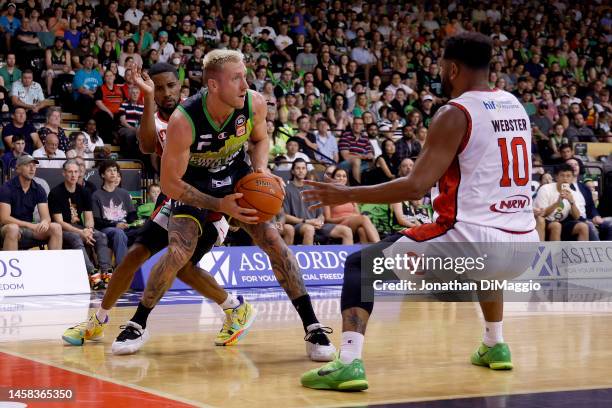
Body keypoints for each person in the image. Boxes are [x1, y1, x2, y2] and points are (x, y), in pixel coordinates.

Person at [299, 33, 539, 390]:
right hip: (523, 246)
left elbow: (415, 186)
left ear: (452, 68)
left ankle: (348, 363)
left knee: (360, 266)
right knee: (488, 264)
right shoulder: (514, 104)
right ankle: (494, 343)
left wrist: (345, 193)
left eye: (442, 67)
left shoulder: (455, 113)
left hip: (471, 242)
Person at [113, 51, 336, 361]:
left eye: (244, 76)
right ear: (214, 85)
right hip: (194, 185)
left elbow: (259, 140)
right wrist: (219, 205)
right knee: (178, 252)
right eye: (236, 78)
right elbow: (169, 184)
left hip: (235, 177)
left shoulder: (253, 102)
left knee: (273, 241)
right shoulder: (184, 120)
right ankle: (139, 322)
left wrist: (260, 170)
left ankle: (313, 326)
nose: (245, 84)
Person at [61, 63, 254, 351]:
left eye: (170, 86)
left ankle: (233, 308)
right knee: (133, 256)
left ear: (181, 86)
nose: (166, 92)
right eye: (159, 87)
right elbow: (147, 145)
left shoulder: (199, 112)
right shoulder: (160, 118)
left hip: (210, 202)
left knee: (184, 268)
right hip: (175, 198)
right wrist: (147, 96)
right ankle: (97, 321)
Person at [48, 159, 113, 289]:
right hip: (62, 230)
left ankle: (106, 272)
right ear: (64, 173)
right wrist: (81, 232)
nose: (73, 175)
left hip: (81, 228)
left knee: (101, 236)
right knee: (76, 237)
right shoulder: (55, 193)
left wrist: (88, 230)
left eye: (76, 172)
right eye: (70, 172)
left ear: (79, 174)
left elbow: (89, 217)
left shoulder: (84, 191)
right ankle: (92, 273)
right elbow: (59, 222)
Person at [0, 155, 62, 250]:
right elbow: (4, 218)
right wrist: (30, 225)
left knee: (56, 227)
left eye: (34, 165)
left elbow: (46, 217)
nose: (32, 168)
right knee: (13, 229)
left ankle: (54, 264)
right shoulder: (7, 188)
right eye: (28, 165)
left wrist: (45, 222)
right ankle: (11, 264)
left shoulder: (38, 188)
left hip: (30, 228)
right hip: (8, 228)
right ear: (18, 169)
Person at [284, 159, 353, 245]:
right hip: (299, 224)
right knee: (309, 229)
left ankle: (349, 259)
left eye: (303, 168)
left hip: (316, 225)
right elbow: (285, 216)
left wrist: (319, 221)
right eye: (298, 168)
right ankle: (306, 258)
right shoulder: (286, 189)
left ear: (306, 170)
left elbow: (321, 214)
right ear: (292, 171)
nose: (301, 171)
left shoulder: (313, 189)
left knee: (346, 231)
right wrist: (308, 221)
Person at [323, 168, 380, 243]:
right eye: (338, 176)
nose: (341, 178)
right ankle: (379, 246)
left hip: (353, 222)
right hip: (339, 224)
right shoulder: (327, 196)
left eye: (344, 176)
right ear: (333, 178)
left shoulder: (350, 195)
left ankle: (365, 254)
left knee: (361, 230)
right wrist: (345, 218)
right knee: (364, 218)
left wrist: (352, 217)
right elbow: (327, 219)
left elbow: (357, 214)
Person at [533, 163, 588, 241]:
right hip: (544, 222)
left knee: (583, 227)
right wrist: (558, 202)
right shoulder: (545, 189)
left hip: (562, 222)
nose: (565, 179)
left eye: (568, 176)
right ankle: (543, 251)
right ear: (556, 177)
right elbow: (542, 214)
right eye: (562, 175)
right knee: (556, 225)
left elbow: (577, 217)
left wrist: (572, 202)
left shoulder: (574, 194)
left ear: (572, 178)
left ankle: (582, 253)